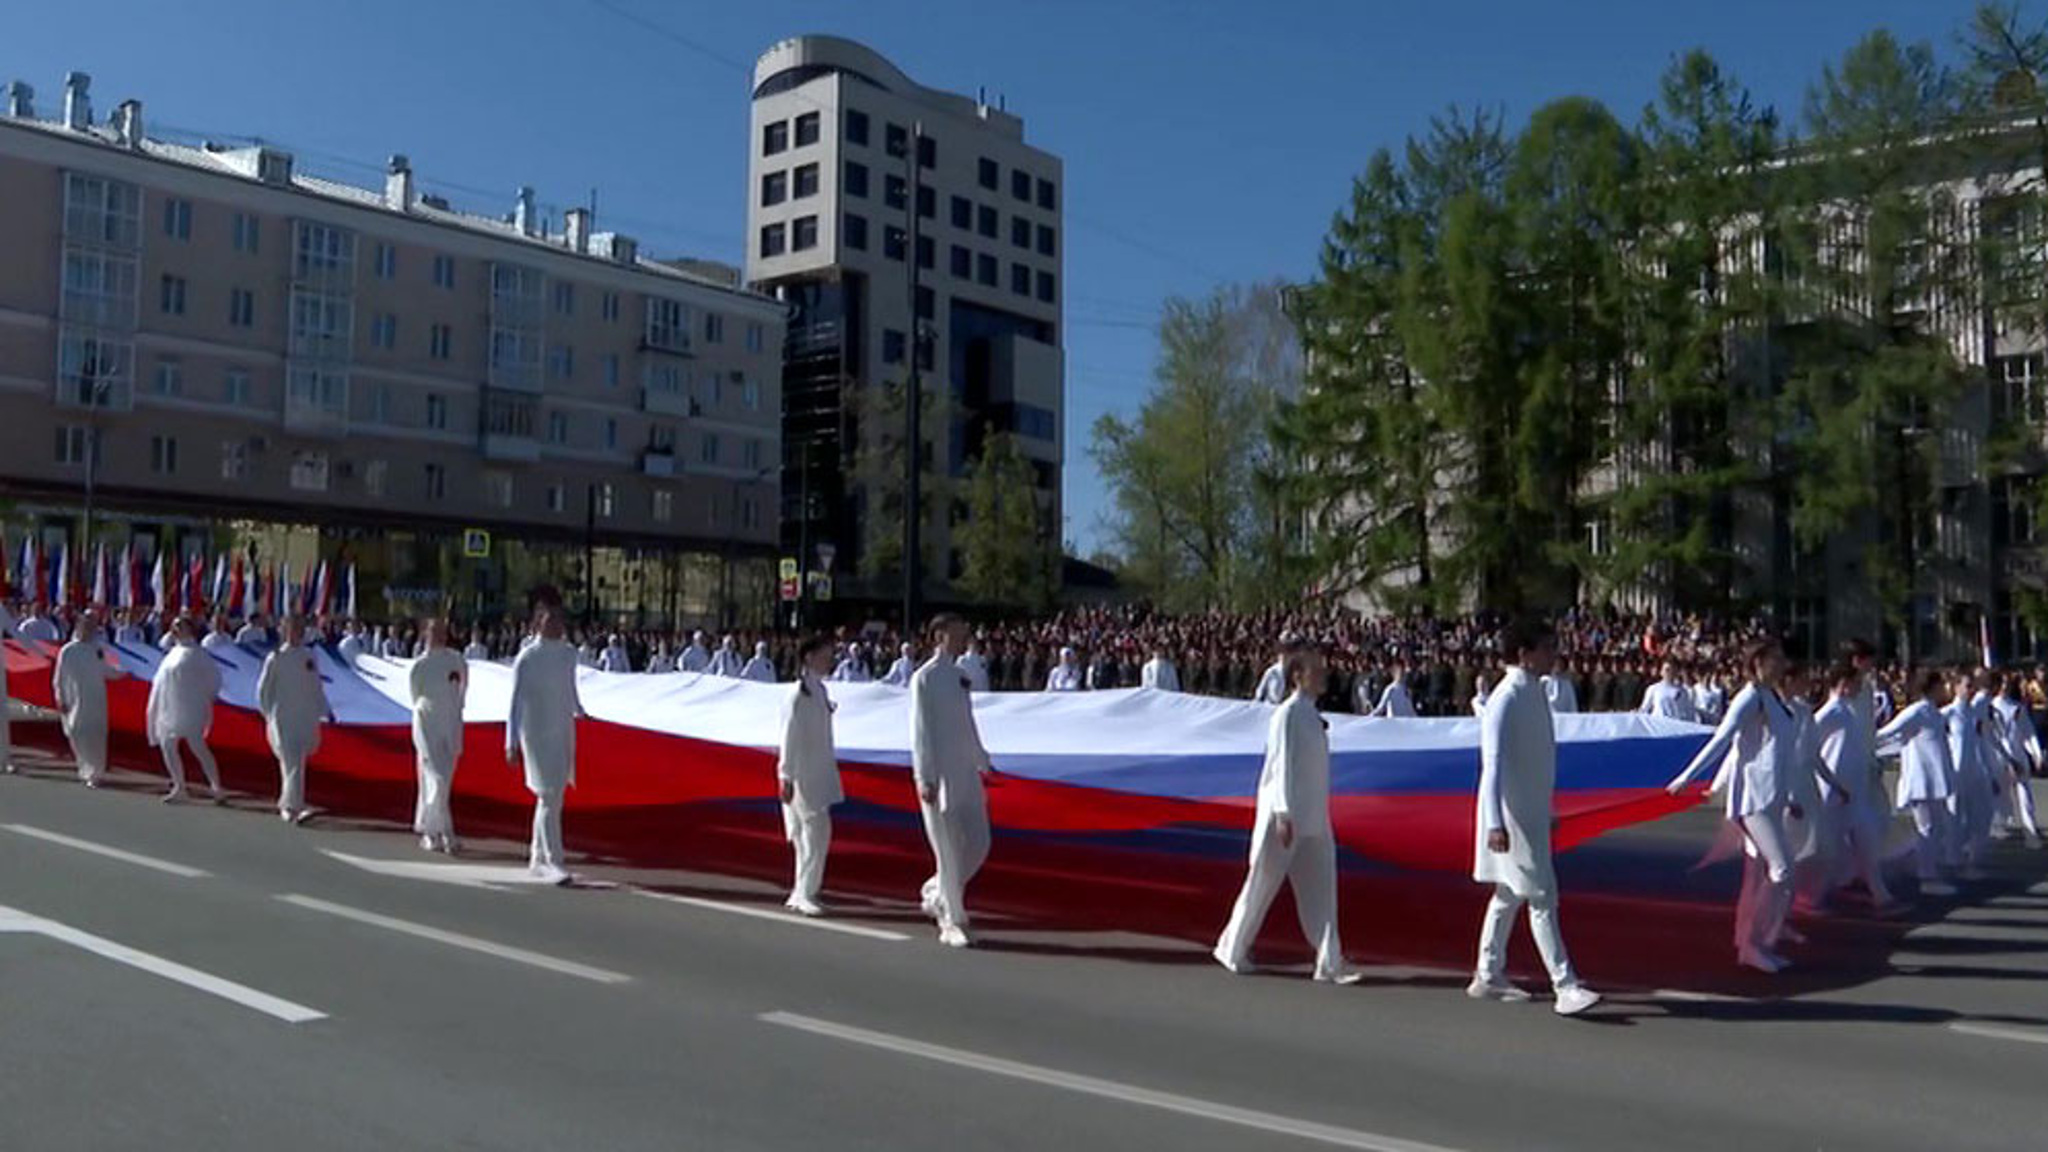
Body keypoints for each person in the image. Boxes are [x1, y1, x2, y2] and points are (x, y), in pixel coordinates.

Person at [1469, 620, 1601, 1015]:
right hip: (1511, 817)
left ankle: (1488, 973)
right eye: (1546, 647)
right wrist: (1494, 822)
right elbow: (1491, 764)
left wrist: (1547, 809)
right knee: (1542, 894)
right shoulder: (1505, 697)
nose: (1554, 654)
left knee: (1509, 893)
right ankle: (1565, 985)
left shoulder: (1536, 693)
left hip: (1530, 811)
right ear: (1524, 654)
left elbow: (1538, 759)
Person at [1213, 644, 1362, 984]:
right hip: (1286, 816)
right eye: (1316, 670)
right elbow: (1280, 765)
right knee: (1261, 884)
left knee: (1322, 889)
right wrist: (1282, 812)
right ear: (1298, 676)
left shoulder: (1311, 714)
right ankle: (1232, 948)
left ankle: (1329, 961)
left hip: (1314, 817)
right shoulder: (1287, 714)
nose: (1324, 675)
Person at [1666, 639, 1804, 973]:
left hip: (1772, 797)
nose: (1782, 664)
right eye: (1775, 659)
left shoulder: (1773, 699)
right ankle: (1754, 943)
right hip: (1752, 799)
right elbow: (1723, 739)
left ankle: (1753, 942)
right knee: (1781, 869)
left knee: (1765, 874)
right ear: (1757, 663)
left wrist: (1791, 797)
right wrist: (1687, 776)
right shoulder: (1750, 698)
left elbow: (1781, 754)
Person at [911, 613, 996, 947]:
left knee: (978, 842)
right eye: (959, 632)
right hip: (939, 778)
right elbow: (920, 732)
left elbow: (967, 724)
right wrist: (925, 777)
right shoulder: (925, 678)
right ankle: (952, 921)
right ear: (940, 635)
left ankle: (936, 892)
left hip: (965, 774)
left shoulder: (961, 676)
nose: (965, 638)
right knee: (947, 851)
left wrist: (983, 760)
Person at [1811, 664, 1902, 914]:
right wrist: (1830, 782)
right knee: (1828, 848)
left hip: (1854, 791)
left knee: (1867, 839)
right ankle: (1813, 897)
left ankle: (1881, 895)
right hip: (1835, 793)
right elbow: (1807, 747)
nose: (1860, 687)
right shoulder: (1829, 713)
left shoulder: (1848, 712)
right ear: (1843, 683)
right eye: (1856, 682)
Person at [506, 604, 585, 884]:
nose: (556, 625)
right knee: (548, 794)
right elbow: (515, 701)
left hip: (562, 730)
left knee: (555, 796)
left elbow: (570, 689)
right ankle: (554, 860)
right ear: (538, 624)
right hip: (536, 733)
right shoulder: (528, 658)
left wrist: (581, 712)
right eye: (550, 621)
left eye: (560, 620)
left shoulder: (568, 654)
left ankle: (537, 856)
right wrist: (511, 741)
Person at [1876, 670, 1958, 896]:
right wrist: (1868, 748)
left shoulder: (1934, 712)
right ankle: (1927, 878)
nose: (1946, 689)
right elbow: (1888, 733)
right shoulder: (1917, 711)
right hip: (1921, 780)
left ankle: (1924, 869)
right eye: (1942, 685)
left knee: (1935, 828)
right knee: (1927, 829)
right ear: (1931, 687)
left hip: (1935, 778)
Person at [778, 636, 843, 916]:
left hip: (819, 772)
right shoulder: (798, 694)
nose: (830, 660)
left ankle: (801, 891)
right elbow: (788, 737)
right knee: (814, 834)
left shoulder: (820, 691)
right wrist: (786, 775)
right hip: (803, 775)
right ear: (808, 658)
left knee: (812, 836)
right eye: (825, 655)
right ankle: (805, 892)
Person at [257, 616, 333, 824]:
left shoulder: (309, 656)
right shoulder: (276, 658)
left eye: (299, 629)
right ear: (284, 631)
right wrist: (268, 714)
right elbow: (264, 689)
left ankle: (289, 804)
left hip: (305, 715)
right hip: (283, 716)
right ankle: (292, 806)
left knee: (297, 762)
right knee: (291, 761)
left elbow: (315, 685)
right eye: (291, 629)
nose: (295, 633)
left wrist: (326, 709)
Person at [144, 616, 224, 803]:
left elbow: (214, 679)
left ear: (190, 629)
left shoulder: (198, 654)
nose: (176, 629)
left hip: (190, 708)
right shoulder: (172, 653)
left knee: (198, 747)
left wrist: (204, 698)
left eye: (180, 625)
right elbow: (160, 682)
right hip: (169, 708)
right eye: (174, 625)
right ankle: (179, 786)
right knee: (168, 745)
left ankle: (216, 787)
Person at [410, 617, 467, 854]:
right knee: (436, 777)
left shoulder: (457, 660)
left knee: (442, 779)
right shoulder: (420, 665)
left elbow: (462, 692)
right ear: (425, 634)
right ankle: (444, 833)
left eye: (443, 631)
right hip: (426, 723)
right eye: (434, 632)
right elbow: (415, 696)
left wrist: (452, 714)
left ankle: (429, 829)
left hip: (450, 724)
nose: (440, 636)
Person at [54, 611, 124, 787]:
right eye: (85, 625)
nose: (88, 629)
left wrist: (123, 674)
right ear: (78, 627)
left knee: (96, 734)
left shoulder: (97, 649)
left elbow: (106, 670)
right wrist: (60, 698)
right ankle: (84, 767)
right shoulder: (68, 650)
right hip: (74, 698)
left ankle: (95, 773)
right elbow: (59, 677)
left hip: (96, 698)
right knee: (76, 732)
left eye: (92, 626)